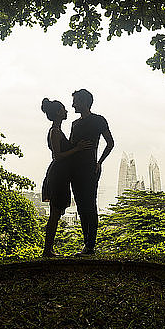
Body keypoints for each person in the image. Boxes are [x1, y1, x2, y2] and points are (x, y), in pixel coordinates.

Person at [41, 98, 90, 257]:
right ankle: (47, 250)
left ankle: (48, 249)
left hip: (62, 174)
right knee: (55, 213)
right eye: (63, 109)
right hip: (58, 174)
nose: (66, 111)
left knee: (56, 212)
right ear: (57, 113)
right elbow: (58, 156)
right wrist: (77, 148)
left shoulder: (58, 130)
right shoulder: (55, 131)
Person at [69, 89, 114, 256]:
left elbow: (110, 143)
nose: (73, 105)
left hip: (90, 168)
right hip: (75, 169)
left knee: (90, 206)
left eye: (76, 101)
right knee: (81, 207)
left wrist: (99, 162)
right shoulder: (75, 124)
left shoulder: (98, 120)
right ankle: (86, 244)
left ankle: (90, 245)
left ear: (84, 102)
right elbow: (72, 146)